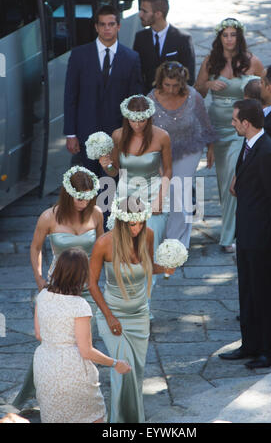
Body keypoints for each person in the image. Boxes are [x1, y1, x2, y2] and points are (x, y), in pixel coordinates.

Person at [13, 166, 103, 409]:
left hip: (86, 289)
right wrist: (39, 279)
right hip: (56, 287)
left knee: (83, 344)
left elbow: (102, 248)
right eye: (78, 197)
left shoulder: (96, 214)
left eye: (87, 197)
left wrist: (98, 278)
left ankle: (75, 394)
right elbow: (35, 248)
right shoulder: (48, 217)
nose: (82, 203)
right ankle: (27, 395)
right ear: (67, 193)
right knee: (52, 343)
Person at [88, 197, 175, 422]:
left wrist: (166, 267)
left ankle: (134, 419)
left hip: (139, 315)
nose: (136, 228)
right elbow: (91, 284)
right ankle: (117, 423)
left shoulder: (148, 236)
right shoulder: (104, 244)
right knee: (122, 370)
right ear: (120, 221)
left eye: (140, 223)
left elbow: (146, 268)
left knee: (136, 372)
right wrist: (109, 317)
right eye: (131, 224)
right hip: (113, 315)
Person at [219, 99, 271, 369]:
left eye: (235, 120)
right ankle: (250, 345)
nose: (233, 123)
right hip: (246, 234)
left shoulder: (268, 151)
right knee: (247, 293)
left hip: (262, 239)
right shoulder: (249, 146)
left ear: (246, 123)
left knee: (266, 295)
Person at [33, 247, 131, 423]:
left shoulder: (42, 295)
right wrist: (115, 363)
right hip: (72, 371)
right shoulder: (79, 305)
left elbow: (39, 334)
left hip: (44, 366)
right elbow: (86, 351)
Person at [195, 18, 264, 252]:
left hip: (241, 128)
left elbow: (264, 88)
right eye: (225, 35)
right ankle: (232, 227)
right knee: (224, 181)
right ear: (219, 38)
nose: (229, 39)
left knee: (233, 179)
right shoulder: (210, 61)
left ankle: (228, 237)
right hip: (218, 129)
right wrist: (209, 86)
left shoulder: (251, 61)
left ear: (239, 37)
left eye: (233, 35)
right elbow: (197, 90)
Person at [99, 94, 172, 298]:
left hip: (154, 193)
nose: (138, 125)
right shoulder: (117, 136)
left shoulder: (162, 136)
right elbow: (114, 172)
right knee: (124, 248)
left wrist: (160, 197)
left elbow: (168, 171)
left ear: (149, 118)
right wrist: (106, 166)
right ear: (127, 118)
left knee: (149, 249)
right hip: (125, 195)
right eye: (133, 120)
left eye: (142, 120)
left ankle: (144, 303)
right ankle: (126, 296)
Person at [64, 4, 143, 178]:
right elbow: (70, 96)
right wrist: (71, 133)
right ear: (96, 27)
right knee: (87, 184)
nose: (107, 28)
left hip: (118, 135)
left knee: (110, 184)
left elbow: (134, 101)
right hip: (86, 133)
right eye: (102, 24)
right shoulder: (79, 55)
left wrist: (134, 134)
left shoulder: (131, 58)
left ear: (118, 26)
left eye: (111, 24)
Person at [148, 61, 217, 249]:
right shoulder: (151, 99)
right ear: (160, 82)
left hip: (189, 148)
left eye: (175, 85)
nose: (171, 90)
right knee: (166, 191)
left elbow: (205, 124)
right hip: (161, 151)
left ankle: (177, 244)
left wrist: (211, 149)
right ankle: (164, 237)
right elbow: (145, 131)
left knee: (179, 192)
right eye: (167, 85)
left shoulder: (193, 97)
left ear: (182, 83)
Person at [134, 0, 195, 94]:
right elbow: (137, 73)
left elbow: (189, 77)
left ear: (158, 14)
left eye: (144, 11)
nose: (140, 14)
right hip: (148, 100)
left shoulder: (182, 39)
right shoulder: (140, 38)